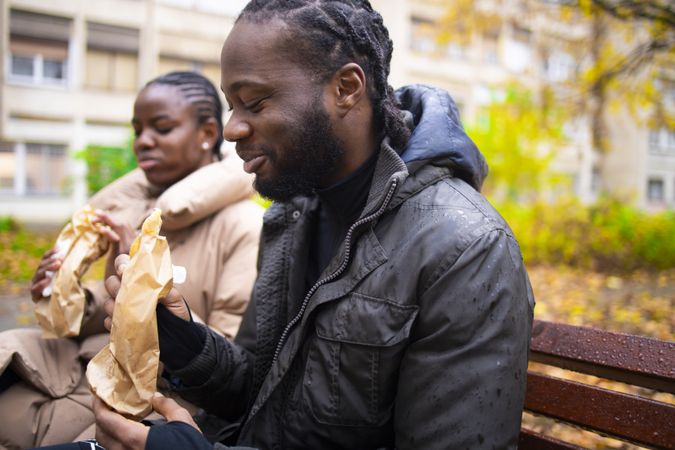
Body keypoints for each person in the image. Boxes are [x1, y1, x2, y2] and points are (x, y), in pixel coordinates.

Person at [93, 1, 535, 449]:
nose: (231, 129)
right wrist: (185, 343)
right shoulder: (294, 215)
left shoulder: (466, 249)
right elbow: (265, 390)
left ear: (346, 87)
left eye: (254, 102)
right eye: (231, 105)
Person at [0, 71, 264, 449]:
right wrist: (67, 292)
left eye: (162, 128)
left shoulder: (244, 225)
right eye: (137, 130)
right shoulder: (130, 208)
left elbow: (228, 367)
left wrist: (142, 293)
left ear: (207, 133)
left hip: (156, 398)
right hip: (80, 366)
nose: (143, 142)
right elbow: (100, 319)